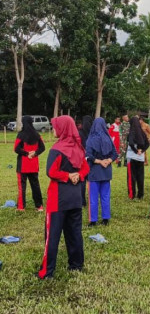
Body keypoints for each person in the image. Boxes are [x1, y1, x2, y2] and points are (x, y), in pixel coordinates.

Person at [37, 116, 89, 279]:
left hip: (58, 198)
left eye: (55, 126)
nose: (53, 129)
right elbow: (85, 168)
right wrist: (77, 176)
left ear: (62, 128)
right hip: (75, 197)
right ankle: (76, 264)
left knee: (52, 235)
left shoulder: (57, 149)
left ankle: (47, 271)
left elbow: (51, 172)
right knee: (74, 232)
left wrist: (67, 176)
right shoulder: (79, 147)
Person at [85, 117, 118, 226]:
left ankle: (93, 220)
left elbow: (88, 155)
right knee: (105, 196)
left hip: (94, 172)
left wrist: (99, 161)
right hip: (106, 172)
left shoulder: (90, 139)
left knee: (93, 197)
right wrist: (108, 161)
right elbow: (115, 153)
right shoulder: (108, 138)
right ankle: (105, 219)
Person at [14, 116, 45, 211]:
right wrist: (34, 153)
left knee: (22, 186)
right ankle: (39, 206)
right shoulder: (37, 135)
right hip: (34, 164)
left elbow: (16, 148)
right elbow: (42, 147)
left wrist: (26, 153)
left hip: (23, 165)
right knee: (35, 185)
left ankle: (21, 207)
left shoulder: (20, 134)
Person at [126, 117, 150, 200]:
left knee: (131, 177)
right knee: (140, 176)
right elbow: (147, 144)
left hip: (131, 157)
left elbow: (131, 143)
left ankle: (132, 195)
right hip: (140, 158)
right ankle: (140, 194)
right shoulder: (142, 133)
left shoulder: (131, 132)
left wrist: (136, 151)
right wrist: (142, 151)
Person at [78, 115, 93, 206]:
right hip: (92, 159)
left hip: (82, 158)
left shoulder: (79, 133)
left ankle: (82, 201)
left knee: (82, 180)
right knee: (91, 181)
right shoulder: (93, 132)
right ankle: (91, 199)